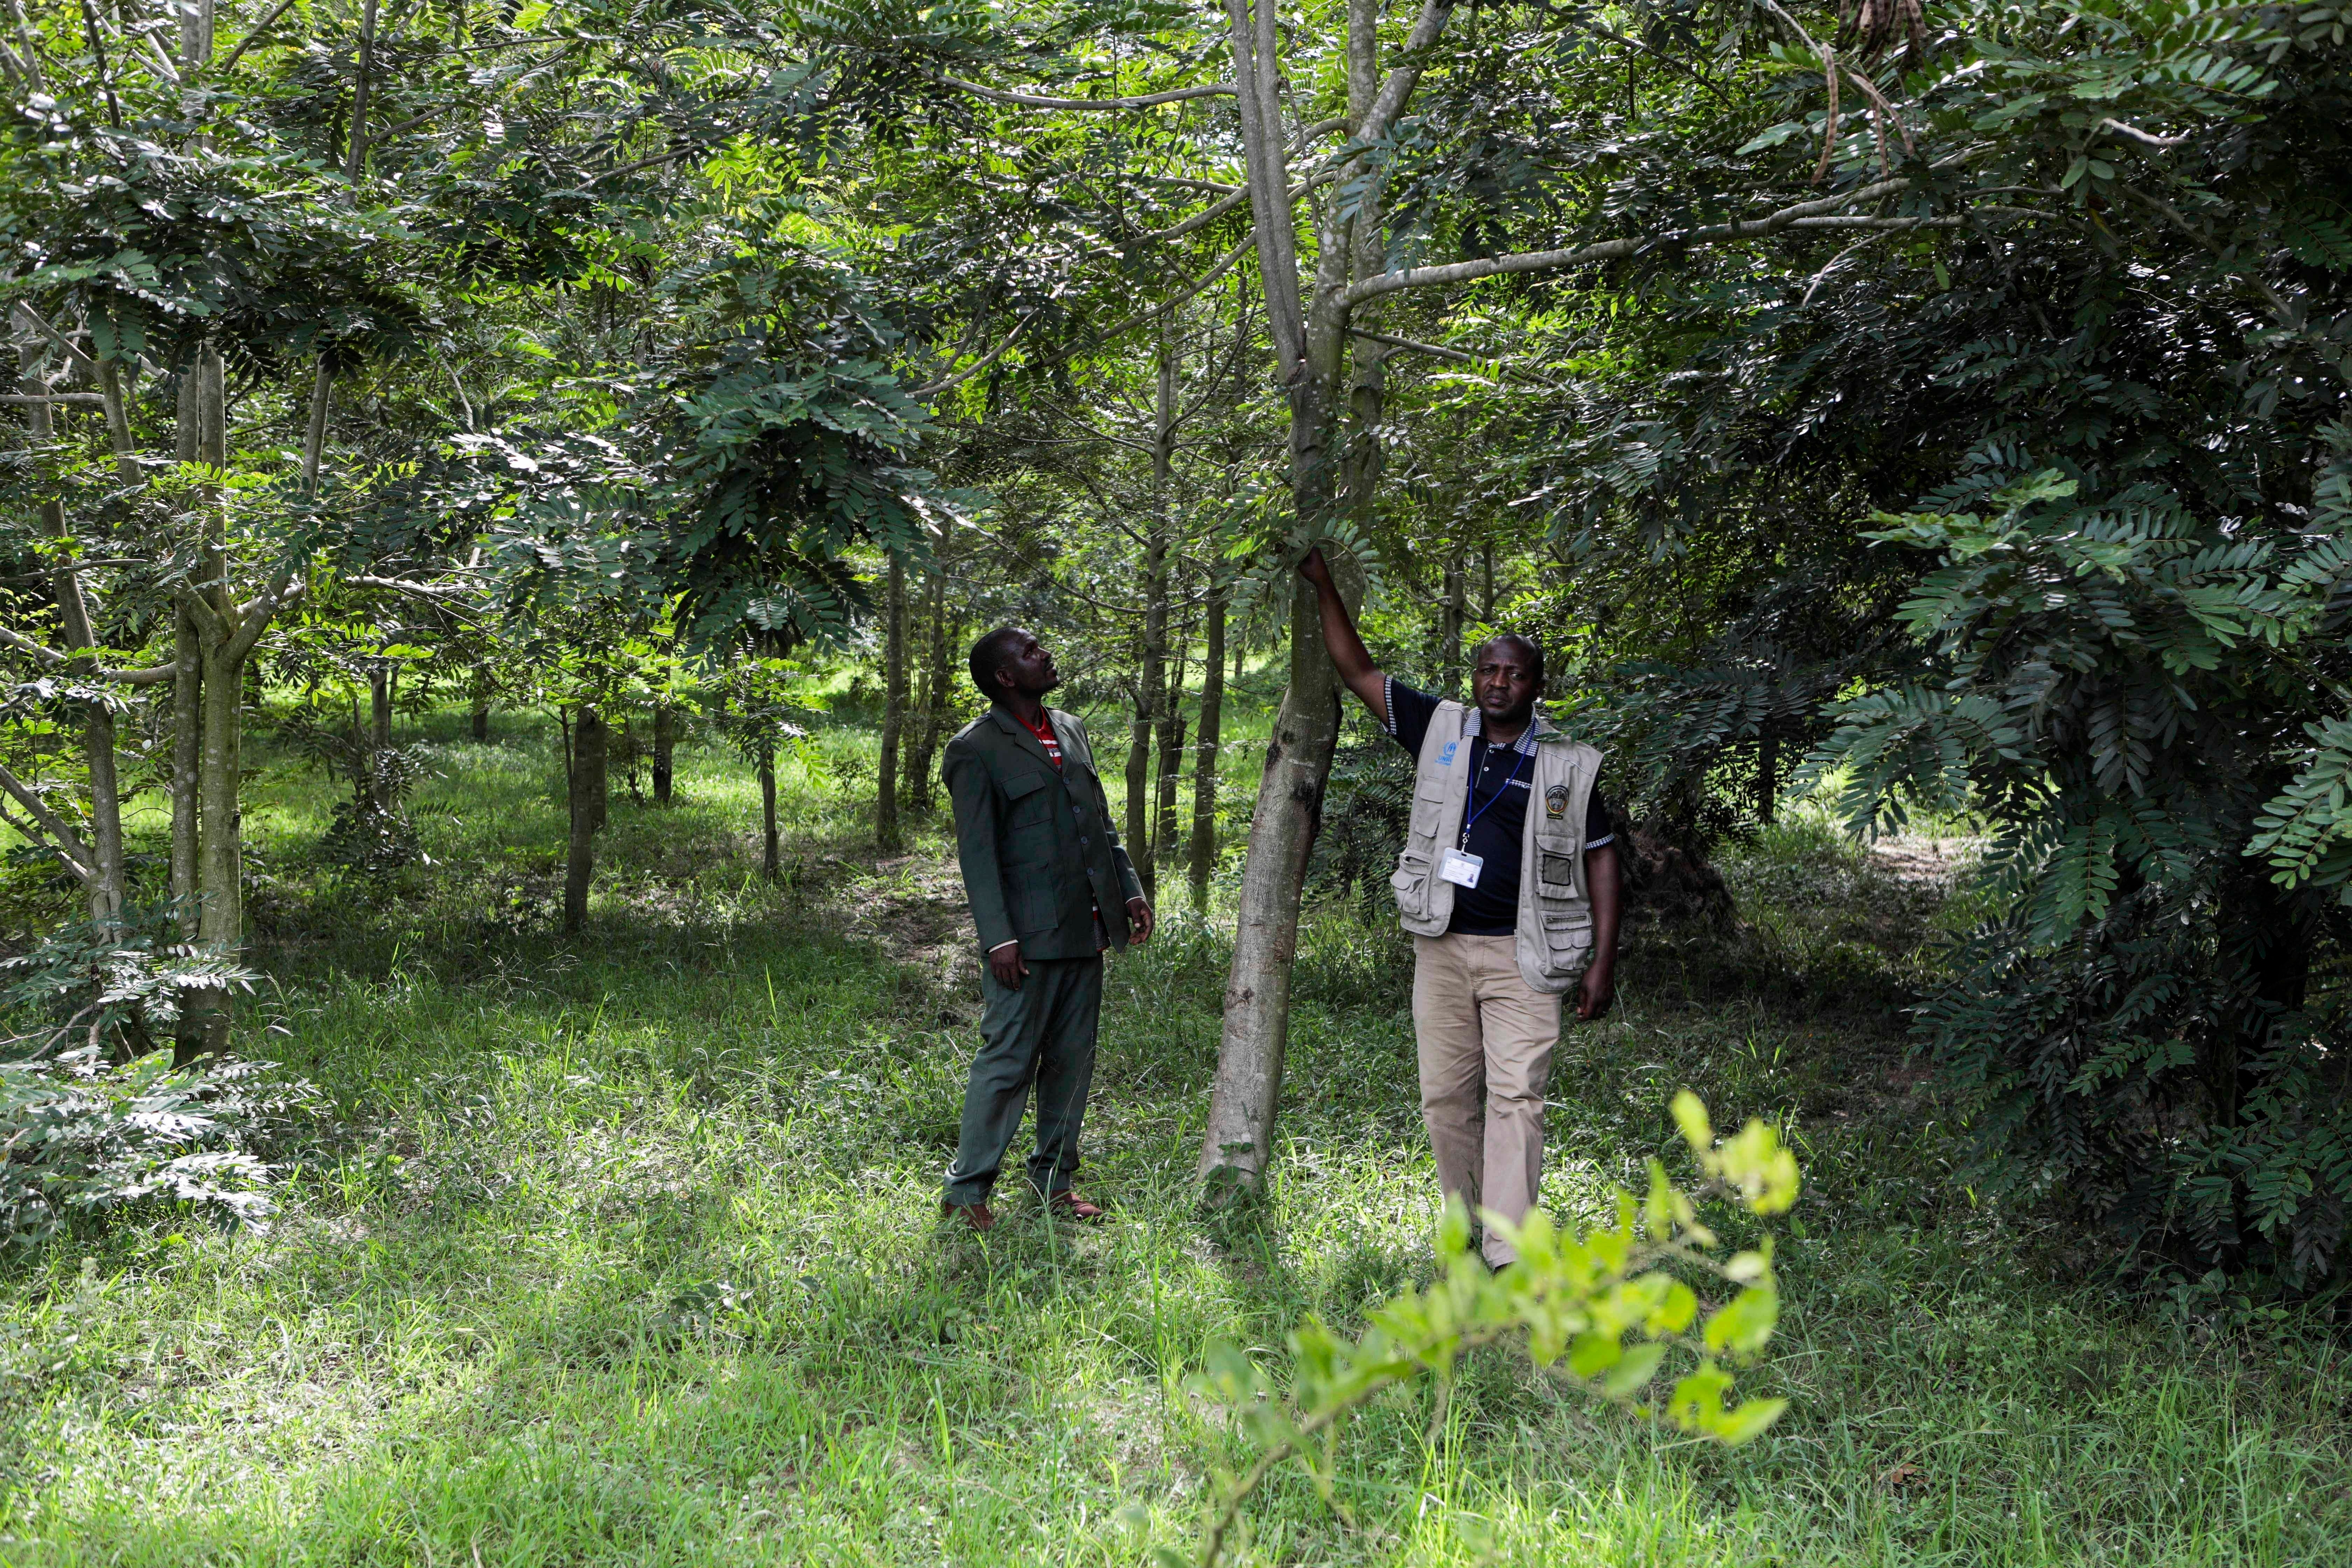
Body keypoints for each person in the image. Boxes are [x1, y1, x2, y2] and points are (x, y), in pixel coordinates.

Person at [1300, 547, 1622, 1267]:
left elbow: (1602, 853)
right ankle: (1464, 1227)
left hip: (1525, 955)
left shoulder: (1567, 763)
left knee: (1518, 1095)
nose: (1499, 682)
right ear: (1475, 678)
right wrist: (1325, 586)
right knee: (1446, 1097)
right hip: (1440, 948)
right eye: (1489, 670)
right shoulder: (1441, 728)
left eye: (1514, 672)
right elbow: (1358, 671)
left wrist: (1604, 957)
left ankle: (1509, 1252)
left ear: (1538, 684)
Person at [939, 626, 1154, 1233]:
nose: (1047, 654)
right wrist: (998, 938)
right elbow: (977, 855)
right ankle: (966, 1192)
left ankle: (1053, 1183)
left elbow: (1100, 824)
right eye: (1031, 652)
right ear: (1005, 677)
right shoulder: (975, 749)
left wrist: (1129, 890)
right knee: (1007, 1060)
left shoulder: (1069, 728)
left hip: (1084, 930)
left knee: (1071, 1060)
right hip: (1025, 941)